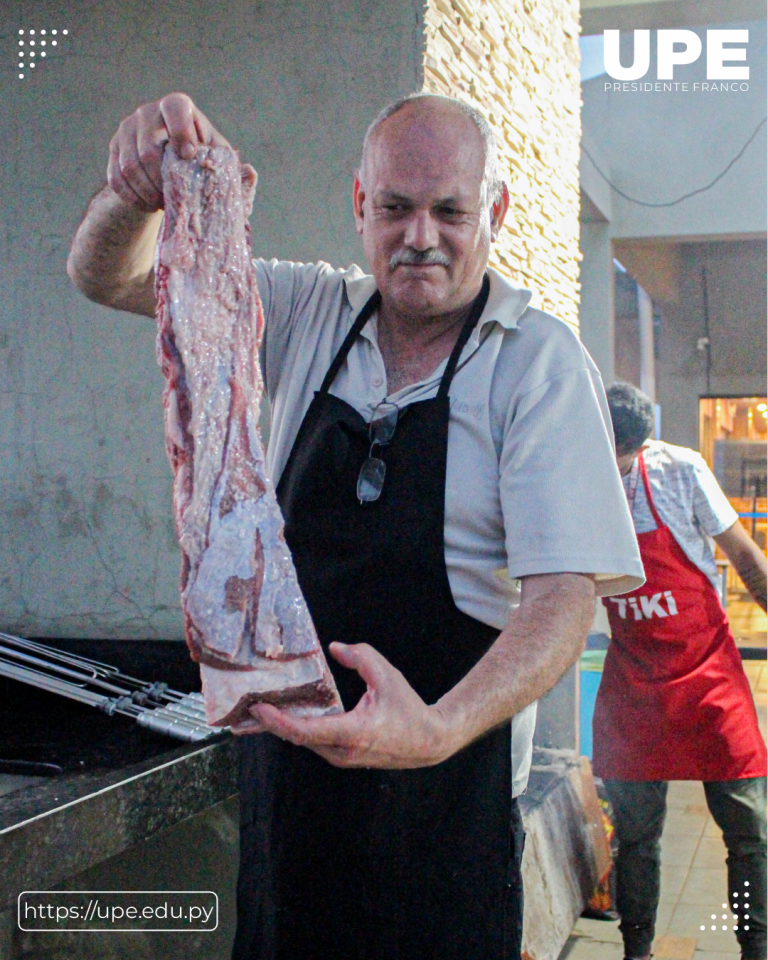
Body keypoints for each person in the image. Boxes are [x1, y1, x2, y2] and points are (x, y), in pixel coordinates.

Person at [67, 91, 643, 959]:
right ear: (358, 206)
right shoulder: (303, 310)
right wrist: (135, 190)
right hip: (287, 800)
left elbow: (563, 597)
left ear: (495, 211)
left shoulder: (538, 362)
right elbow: (105, 276)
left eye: (450, 211)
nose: (420, 237)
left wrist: (438, 728)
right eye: (395, 208)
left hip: (445, 809)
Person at [594, 381, 767, 960]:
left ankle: (755, 944)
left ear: (638, 446)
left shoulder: (681, 471)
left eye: (621, 457)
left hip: (708, 672)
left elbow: (747, 559)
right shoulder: (575, 479)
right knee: (637, 838)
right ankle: (636, 949)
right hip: (634, 683)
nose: (611, 468)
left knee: (749, 830)